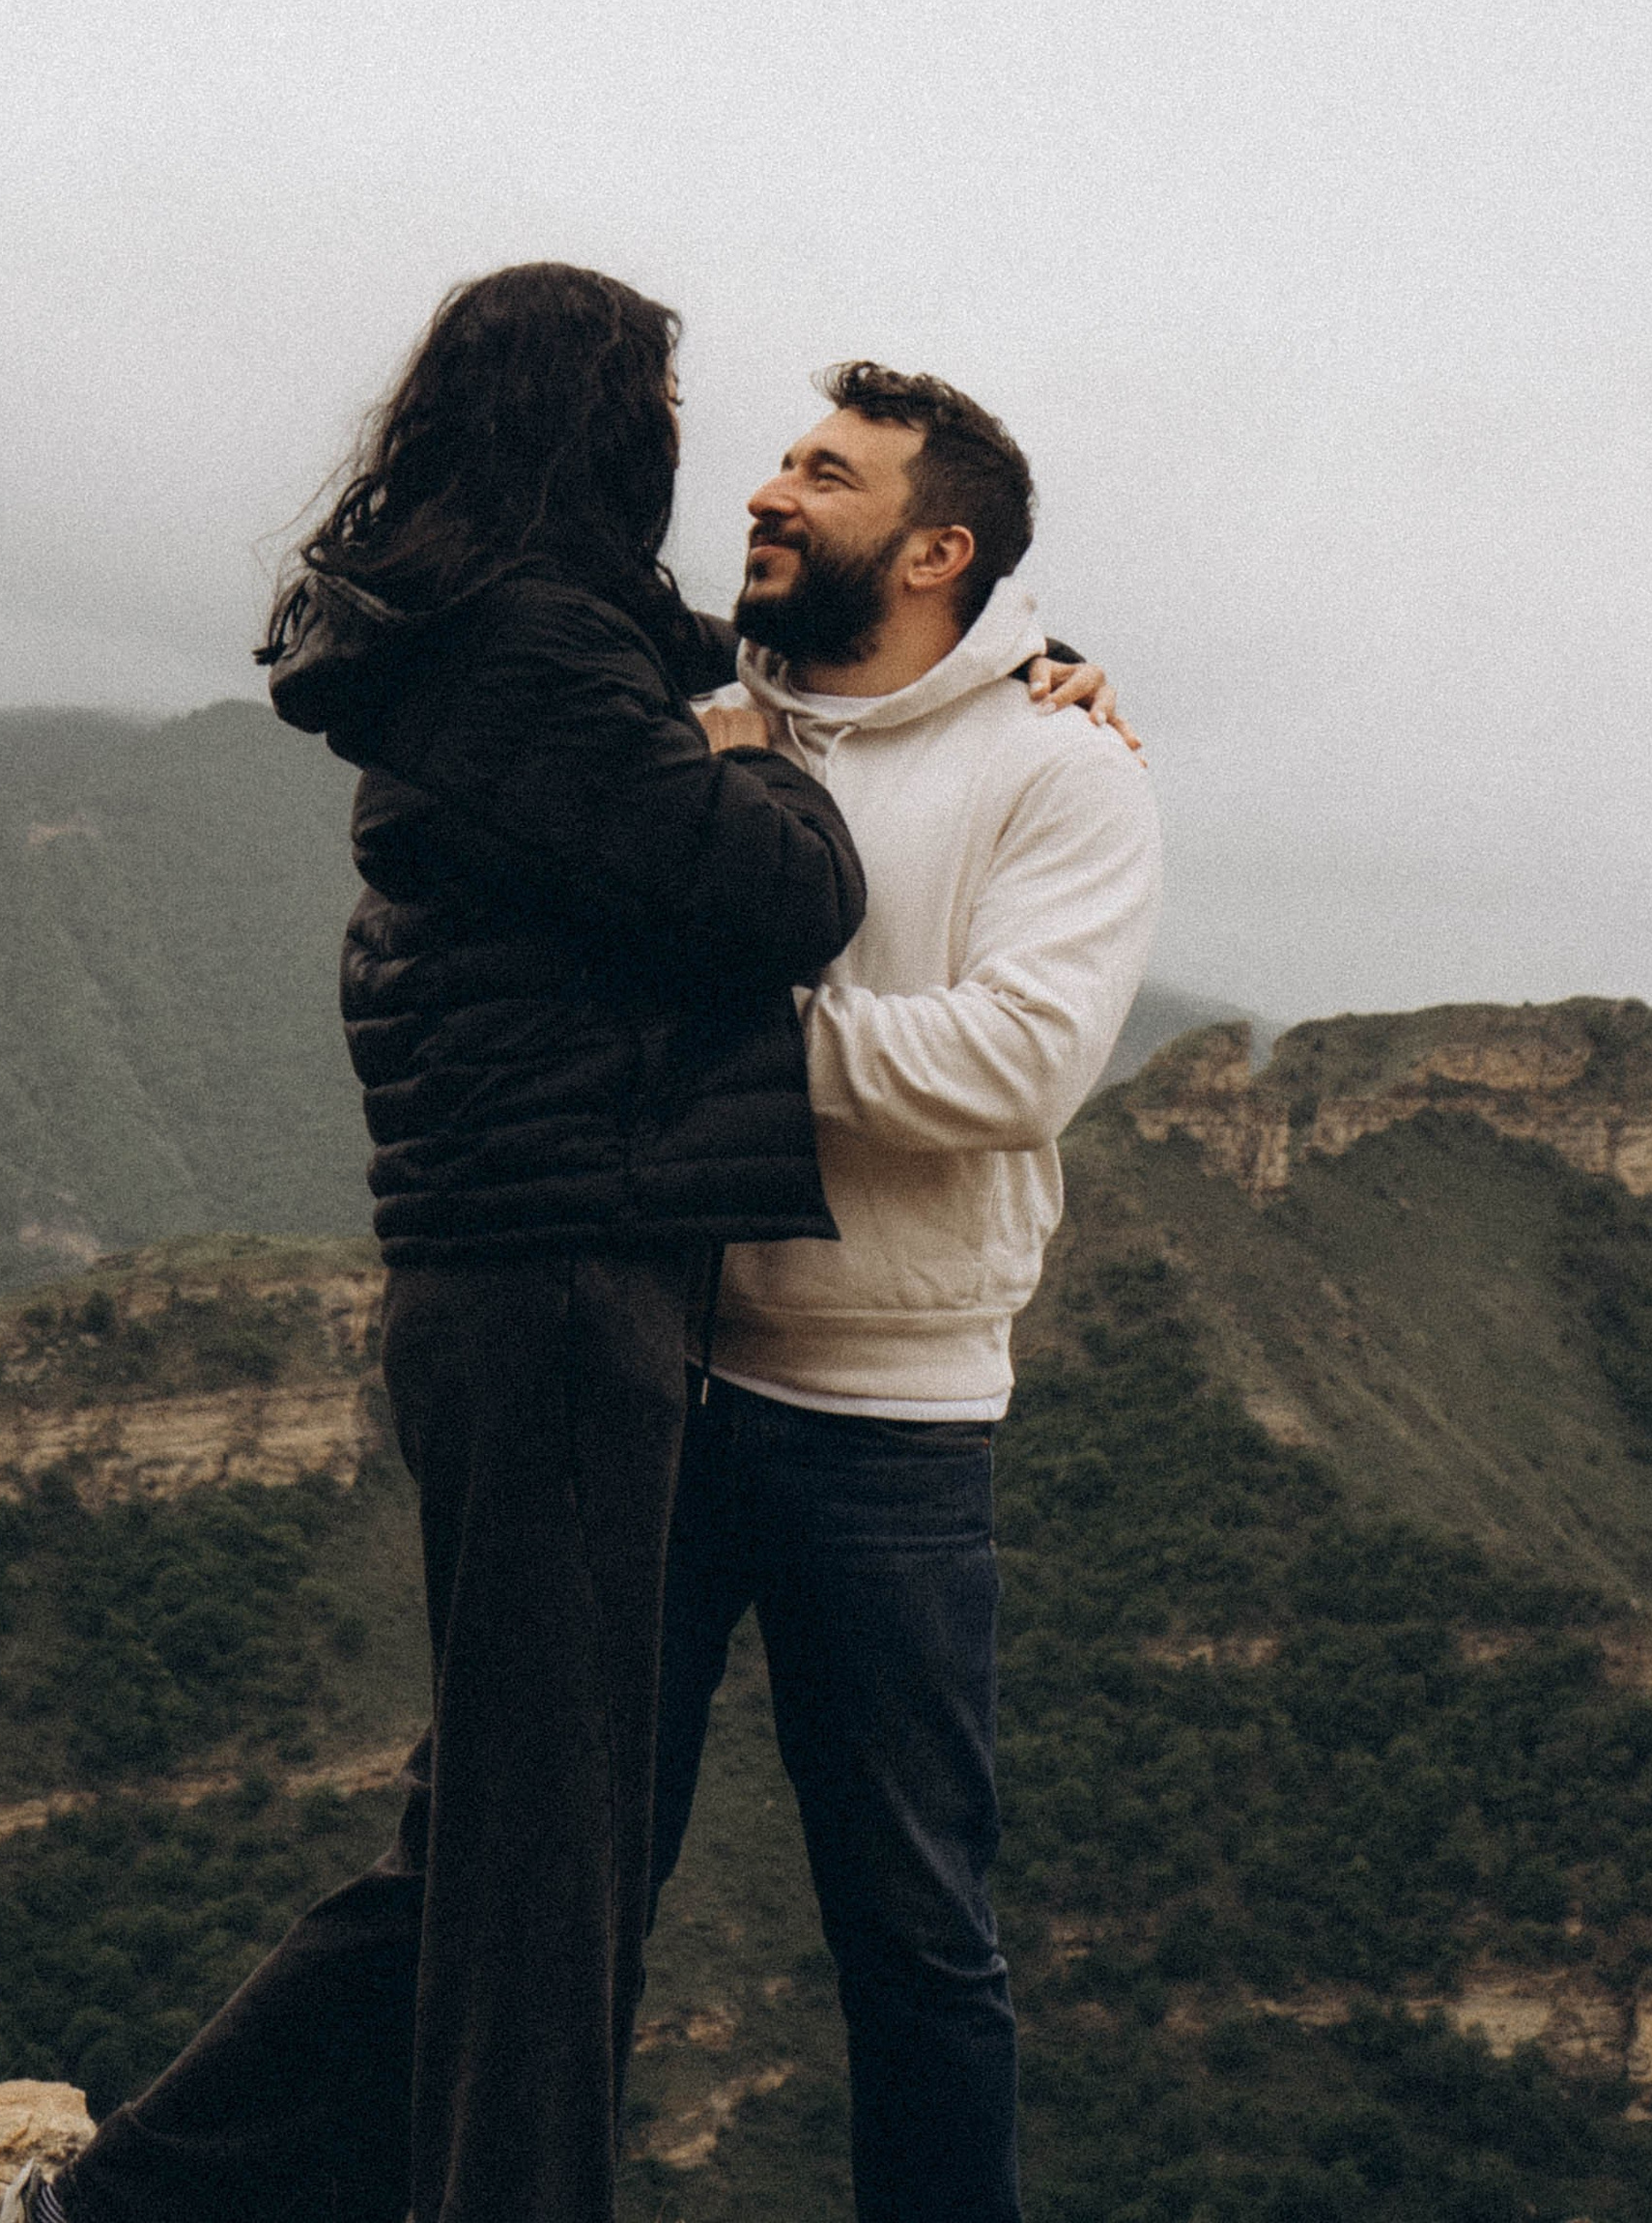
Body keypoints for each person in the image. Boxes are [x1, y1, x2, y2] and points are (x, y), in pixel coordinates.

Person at [29, 261, 868, 2223]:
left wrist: (1001, 674)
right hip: (557, 1279)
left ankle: (133, 2200)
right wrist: (776, 773)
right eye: (658, 399)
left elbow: (685, 676)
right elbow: (764, 893)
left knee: (503, 1826)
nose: (682, 437)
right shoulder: (519, 658)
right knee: (539, 1849)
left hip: (540, 1273)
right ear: (594, 421)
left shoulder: (506, 641)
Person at [644, 360, 1161, 2223]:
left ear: (939, 552)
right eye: (780, 461)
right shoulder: (698, 719)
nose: (770, 492)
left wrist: (721, 1041)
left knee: (915, 1928)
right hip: (652, 1372)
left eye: (825, 476)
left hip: (891, 1419)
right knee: (566, 1884)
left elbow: (1021, 1065)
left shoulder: (1059, 765)